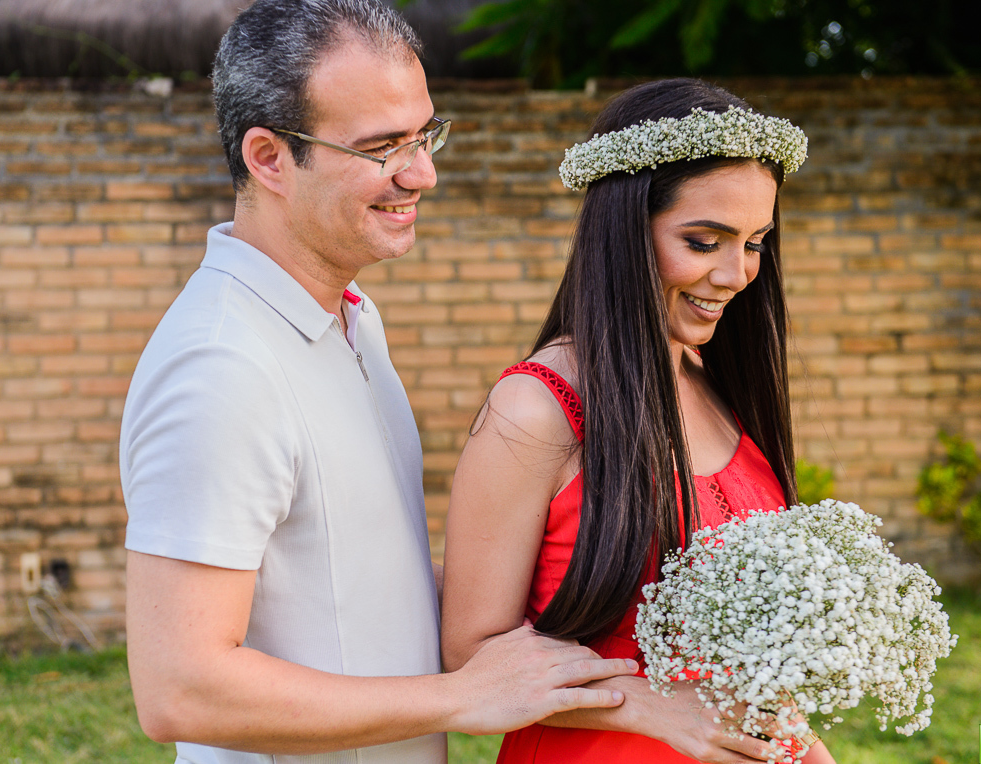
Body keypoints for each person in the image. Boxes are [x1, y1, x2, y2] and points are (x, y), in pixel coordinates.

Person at [118, 1, 636, 762]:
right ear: (268, 158)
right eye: (383, 147)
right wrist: (464, 696)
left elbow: (348, 581)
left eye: (424, 134)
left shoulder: (352, 318)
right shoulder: (222, 367)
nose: (422, 172)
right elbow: (179, 688)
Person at [440, 79, 839, 764]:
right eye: (704, 240)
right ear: (624, 230)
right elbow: (474, 652)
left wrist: (794, 732)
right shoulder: (538, 408)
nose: (738, 273)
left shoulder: (712, 377)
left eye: (754, 242)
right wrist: (652, 707)